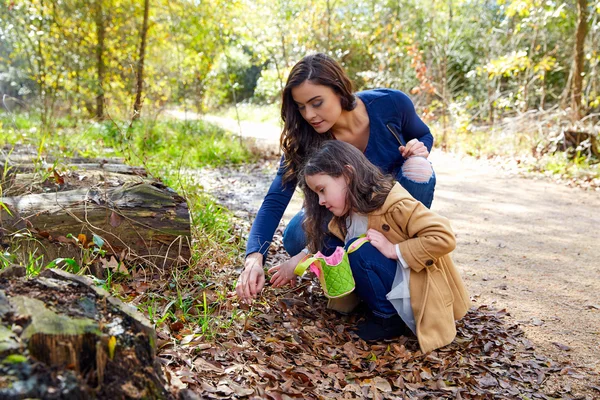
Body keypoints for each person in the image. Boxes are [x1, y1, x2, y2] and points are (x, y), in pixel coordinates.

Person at [236, 53, 436, 303]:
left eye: (316, 102)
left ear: (340, 91)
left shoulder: (391, 103)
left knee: (420, 171)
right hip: (342, 222)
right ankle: (355, 274)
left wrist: (419, 147)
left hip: (389, 220)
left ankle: (398, 269)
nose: (308, 115)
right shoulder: (304, 138)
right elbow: (275, 199)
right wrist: (254, 258)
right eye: (301, 106)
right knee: (296, 235)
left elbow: (423, 134)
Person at [274, 140, 470, 352]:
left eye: (322, 190)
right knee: (331, 244)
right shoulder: (347, 211)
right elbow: (321, 242)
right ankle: (368, 304)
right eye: (316, 194)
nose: (321, 200)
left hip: (413, 291)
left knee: (362, 251)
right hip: (391, 282)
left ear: (347, 175)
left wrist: (394, 250)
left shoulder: (394, 203)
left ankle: (388, 319)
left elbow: (443, 236)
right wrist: (298, 260)